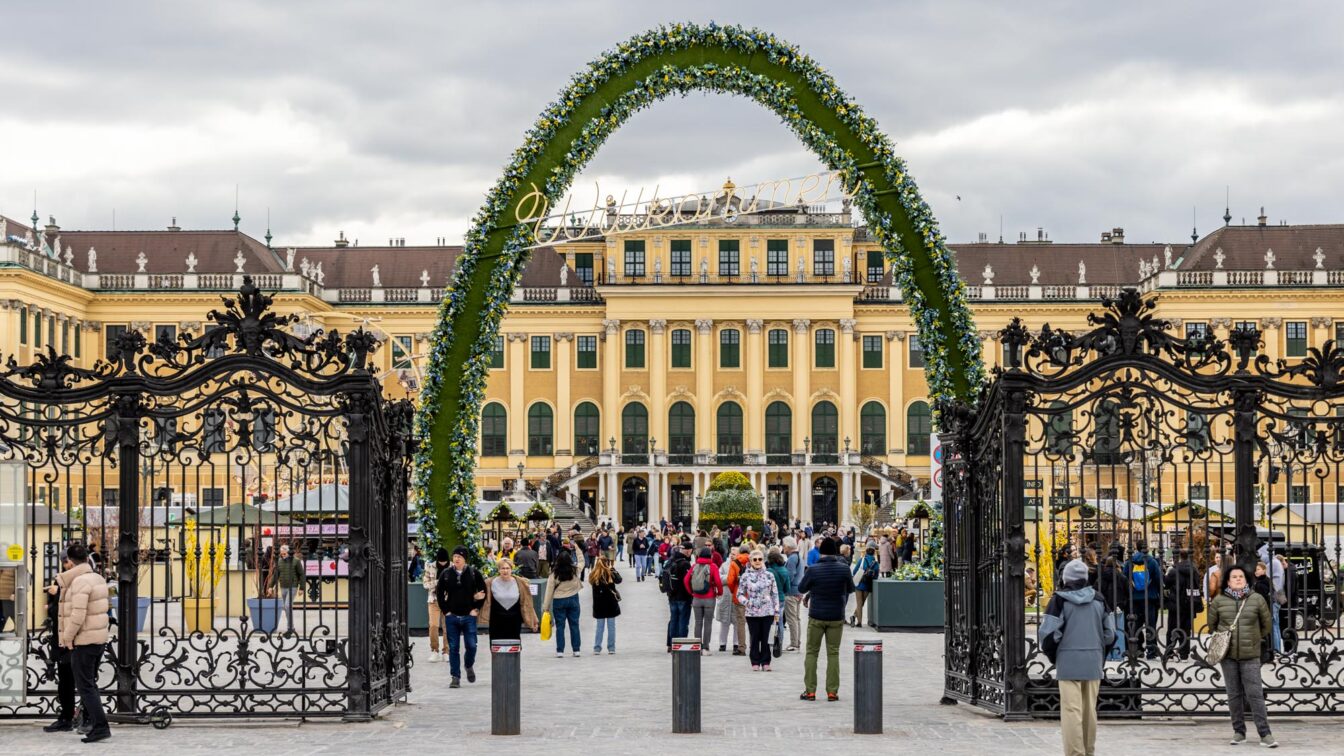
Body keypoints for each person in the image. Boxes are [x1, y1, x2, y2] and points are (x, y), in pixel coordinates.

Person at [1038, 559, 1115, 756]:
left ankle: (1075, 753)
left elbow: (1048, 634)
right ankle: (1089, 751)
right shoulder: (1099, 599)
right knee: (1090, 710)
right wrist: (1099, 653)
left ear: (1066, 578)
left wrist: (1054, 656)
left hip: (1068, 661)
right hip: (1093, 660)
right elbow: (1110, 634)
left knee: (1071, 711)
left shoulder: (1059, 600)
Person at [1207, 565, 1276, 747]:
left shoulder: (1256, 599)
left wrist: (1253, 638)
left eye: (1241, 576)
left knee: (1255, 694)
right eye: (1234, 577)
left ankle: (1265, 733)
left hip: (1250, 654)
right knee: (1234, 694)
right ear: (1228, 581)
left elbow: (1266, 625)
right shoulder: (1219, 601)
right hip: (1228, 655)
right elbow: (1212, 625)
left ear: (1246, 580)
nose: (1238, 579)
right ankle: (1239, 732)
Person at [56, 542, 111, 743]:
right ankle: (98, 725)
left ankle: (100, 727)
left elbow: (78, 615)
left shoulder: (79, 582)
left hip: (85, 641)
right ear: (87, 558)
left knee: (86, 686)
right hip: (98, 639)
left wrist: (67, 637)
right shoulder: (97, 578)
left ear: (70, 562)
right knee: (90, 684)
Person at [797, 537, 854, 701]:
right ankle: (832, 691)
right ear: (835, 552)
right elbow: (851, 589)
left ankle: (810, 691)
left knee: (812, 652)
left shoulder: (813, 569)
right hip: (836, 616)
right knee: (833, 653)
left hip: (817, 615)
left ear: (821, 552)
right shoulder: (844, 569)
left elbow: (801, 587)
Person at [435, 546, 486, 688]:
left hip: (469, 616)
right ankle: (455, 677)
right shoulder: (446, 574)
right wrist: (446, 611)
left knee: (471, 645)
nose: (456, 559)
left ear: (465, 559)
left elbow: (483, 591)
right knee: (453, 648)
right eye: (455, 556)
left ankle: (468, 665)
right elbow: (439, 593)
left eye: (460, 557)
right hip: (452, 617)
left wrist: (476, 608)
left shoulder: (474, 573)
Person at [40, 550, 77, 733]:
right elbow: (55, 610)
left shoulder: (75, 581)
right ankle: (70, 716)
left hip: (70, 638)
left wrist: (58, 594)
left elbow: (65, 610)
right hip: (63, 637)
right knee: (68, 681)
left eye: (67, 561)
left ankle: (71, 717)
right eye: (64, 561)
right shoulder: (62, 580)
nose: (65, 565)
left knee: (72, 681)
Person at [737, 549, 782, 671]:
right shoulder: (745, 576)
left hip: (768, 611)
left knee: (766, 638)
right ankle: (755, 662)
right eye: (755, 559)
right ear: (750, 561)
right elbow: (739, 594)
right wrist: (747, 602)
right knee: (755, 637)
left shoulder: (769, 575)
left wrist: (777, 611)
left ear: (763, 560)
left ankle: (766, 662)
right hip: (752, 613)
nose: (757, 561)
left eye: (760, 559)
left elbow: (775, 594)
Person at [481, 557, 539, 641]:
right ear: (499, 570)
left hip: (514, 620)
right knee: (496, 644)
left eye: (507, 568)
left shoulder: (521, 582)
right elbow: (482, 599)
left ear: (511, 569)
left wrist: (534, 620)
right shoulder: (489, 583)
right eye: (503, 568)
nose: (505, 571)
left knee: (514, 644)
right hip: (496, 620)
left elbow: (527, 603)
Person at [542, 550, 585, 657]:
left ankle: (560, 651)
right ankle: (576, 650)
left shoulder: (554, 574)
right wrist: (577, 549)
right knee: (574, 625)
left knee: (560, 626)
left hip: (559, 600)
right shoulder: (574, 570)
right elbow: (582, 561)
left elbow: (549, 591)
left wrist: (546, 607)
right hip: (573, 599)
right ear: (570, 560)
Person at [1124, 540, 1162, 659]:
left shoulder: (1129, 562)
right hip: (1149, 598)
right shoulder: (1152, 562)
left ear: (1136, 547)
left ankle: (1136, 650)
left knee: (1135, 626)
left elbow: (1125, 578)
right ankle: (1151, 651)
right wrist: (1159, 595)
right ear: (1147, 548)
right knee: (1150, 626)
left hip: (1134, 599)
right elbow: (1158, 579)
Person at [1162, 549, 1202, 660]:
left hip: (1175, 604)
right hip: (1189, 603)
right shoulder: (1194, 570)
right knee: (1186, 630)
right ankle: (1184, 653)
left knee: (1172, 629)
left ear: (1179, 557)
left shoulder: (1174, 571)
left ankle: (1170, 651)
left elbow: (1166, 583)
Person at [686, 546, 723, 654]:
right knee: (708, 623)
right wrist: (719, 593)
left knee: (698, 623)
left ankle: (697, 647)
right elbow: (718, 581)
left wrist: (691, 592)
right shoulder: (713, 566)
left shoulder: (694, 566)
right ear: (710, 556)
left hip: (696, 599)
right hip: (709, 598)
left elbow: (686, 580)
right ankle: (706, 648)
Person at [662, 538, 694, 651]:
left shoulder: (670, 561)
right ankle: (680, 644)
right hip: (683, 596)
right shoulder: (685, 563)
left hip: (671, 595)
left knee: (673, 619)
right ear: (688, 551)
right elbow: (688, 581)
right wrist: (691, 594)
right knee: (683, 621)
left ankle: (671, 644)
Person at [269, 544, 307, 633]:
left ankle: (290, 627)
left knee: (287, 605)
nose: (283, 555)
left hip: (292, 586)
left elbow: (301, 575)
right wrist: (270, 586)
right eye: (281, 554)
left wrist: (302, 588)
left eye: (284, 554)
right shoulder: (279, 561)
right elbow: (275, 575)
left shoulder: (296, 561)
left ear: (289, 552)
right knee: (287, 608)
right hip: (283, 587)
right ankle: (291, 626)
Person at [423, 548, 448, 662]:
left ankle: (446, 651)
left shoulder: (452, 567)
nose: (443, 563)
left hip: (448, 601)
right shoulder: (430, 566)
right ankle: (434, 650)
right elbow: (425, 584)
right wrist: (437, 582)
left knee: (448, 627)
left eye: (445, 561)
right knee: (433, 625)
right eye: (441, 561)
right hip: (434, 600)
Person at [725, 546, 751, 656]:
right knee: (754, 622)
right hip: (753, 596)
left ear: (739, 552)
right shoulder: (754, 560)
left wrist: (733, 591)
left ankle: (741, 648)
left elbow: (730, 581)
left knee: (741, 622)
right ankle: (755, 646)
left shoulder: (734, 563)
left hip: (739, 596)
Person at [782, 536, 805, 651]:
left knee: (791, 619)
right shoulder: (798, 557)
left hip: (791, 592)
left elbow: (789, 576)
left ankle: (794, 643)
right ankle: (797, 642)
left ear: (787, 546)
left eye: (783, 545)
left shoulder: (792, 558)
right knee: (796, 618)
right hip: (798, 591)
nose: (783, 548)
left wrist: (783, 588)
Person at [850, 545, 879, 627]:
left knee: (859, 603)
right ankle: (854, 616)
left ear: (866, 552)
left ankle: (859, 622)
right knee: (862, 603)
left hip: (859, 583)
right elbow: (876, 576)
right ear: (874, 553)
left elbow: (854, 571)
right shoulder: (876, 563)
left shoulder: (862, 560)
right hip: (867, 585)